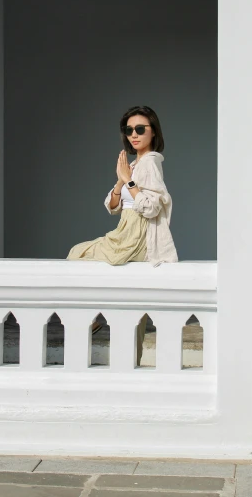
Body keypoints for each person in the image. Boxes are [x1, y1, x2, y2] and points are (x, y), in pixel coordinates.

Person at [67, 105, 178, 362]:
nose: (134, 135)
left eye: (140, 129)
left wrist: (128, 181)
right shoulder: (135, 163)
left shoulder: (149, 163)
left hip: (136, 235)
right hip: (125, 229)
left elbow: (151, 207)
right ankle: (129, 360)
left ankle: (94, 318)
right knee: (133, 310)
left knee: (77, 253)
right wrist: (121, 181)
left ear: (153, 132)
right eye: (129, 130)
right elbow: (113, 206)